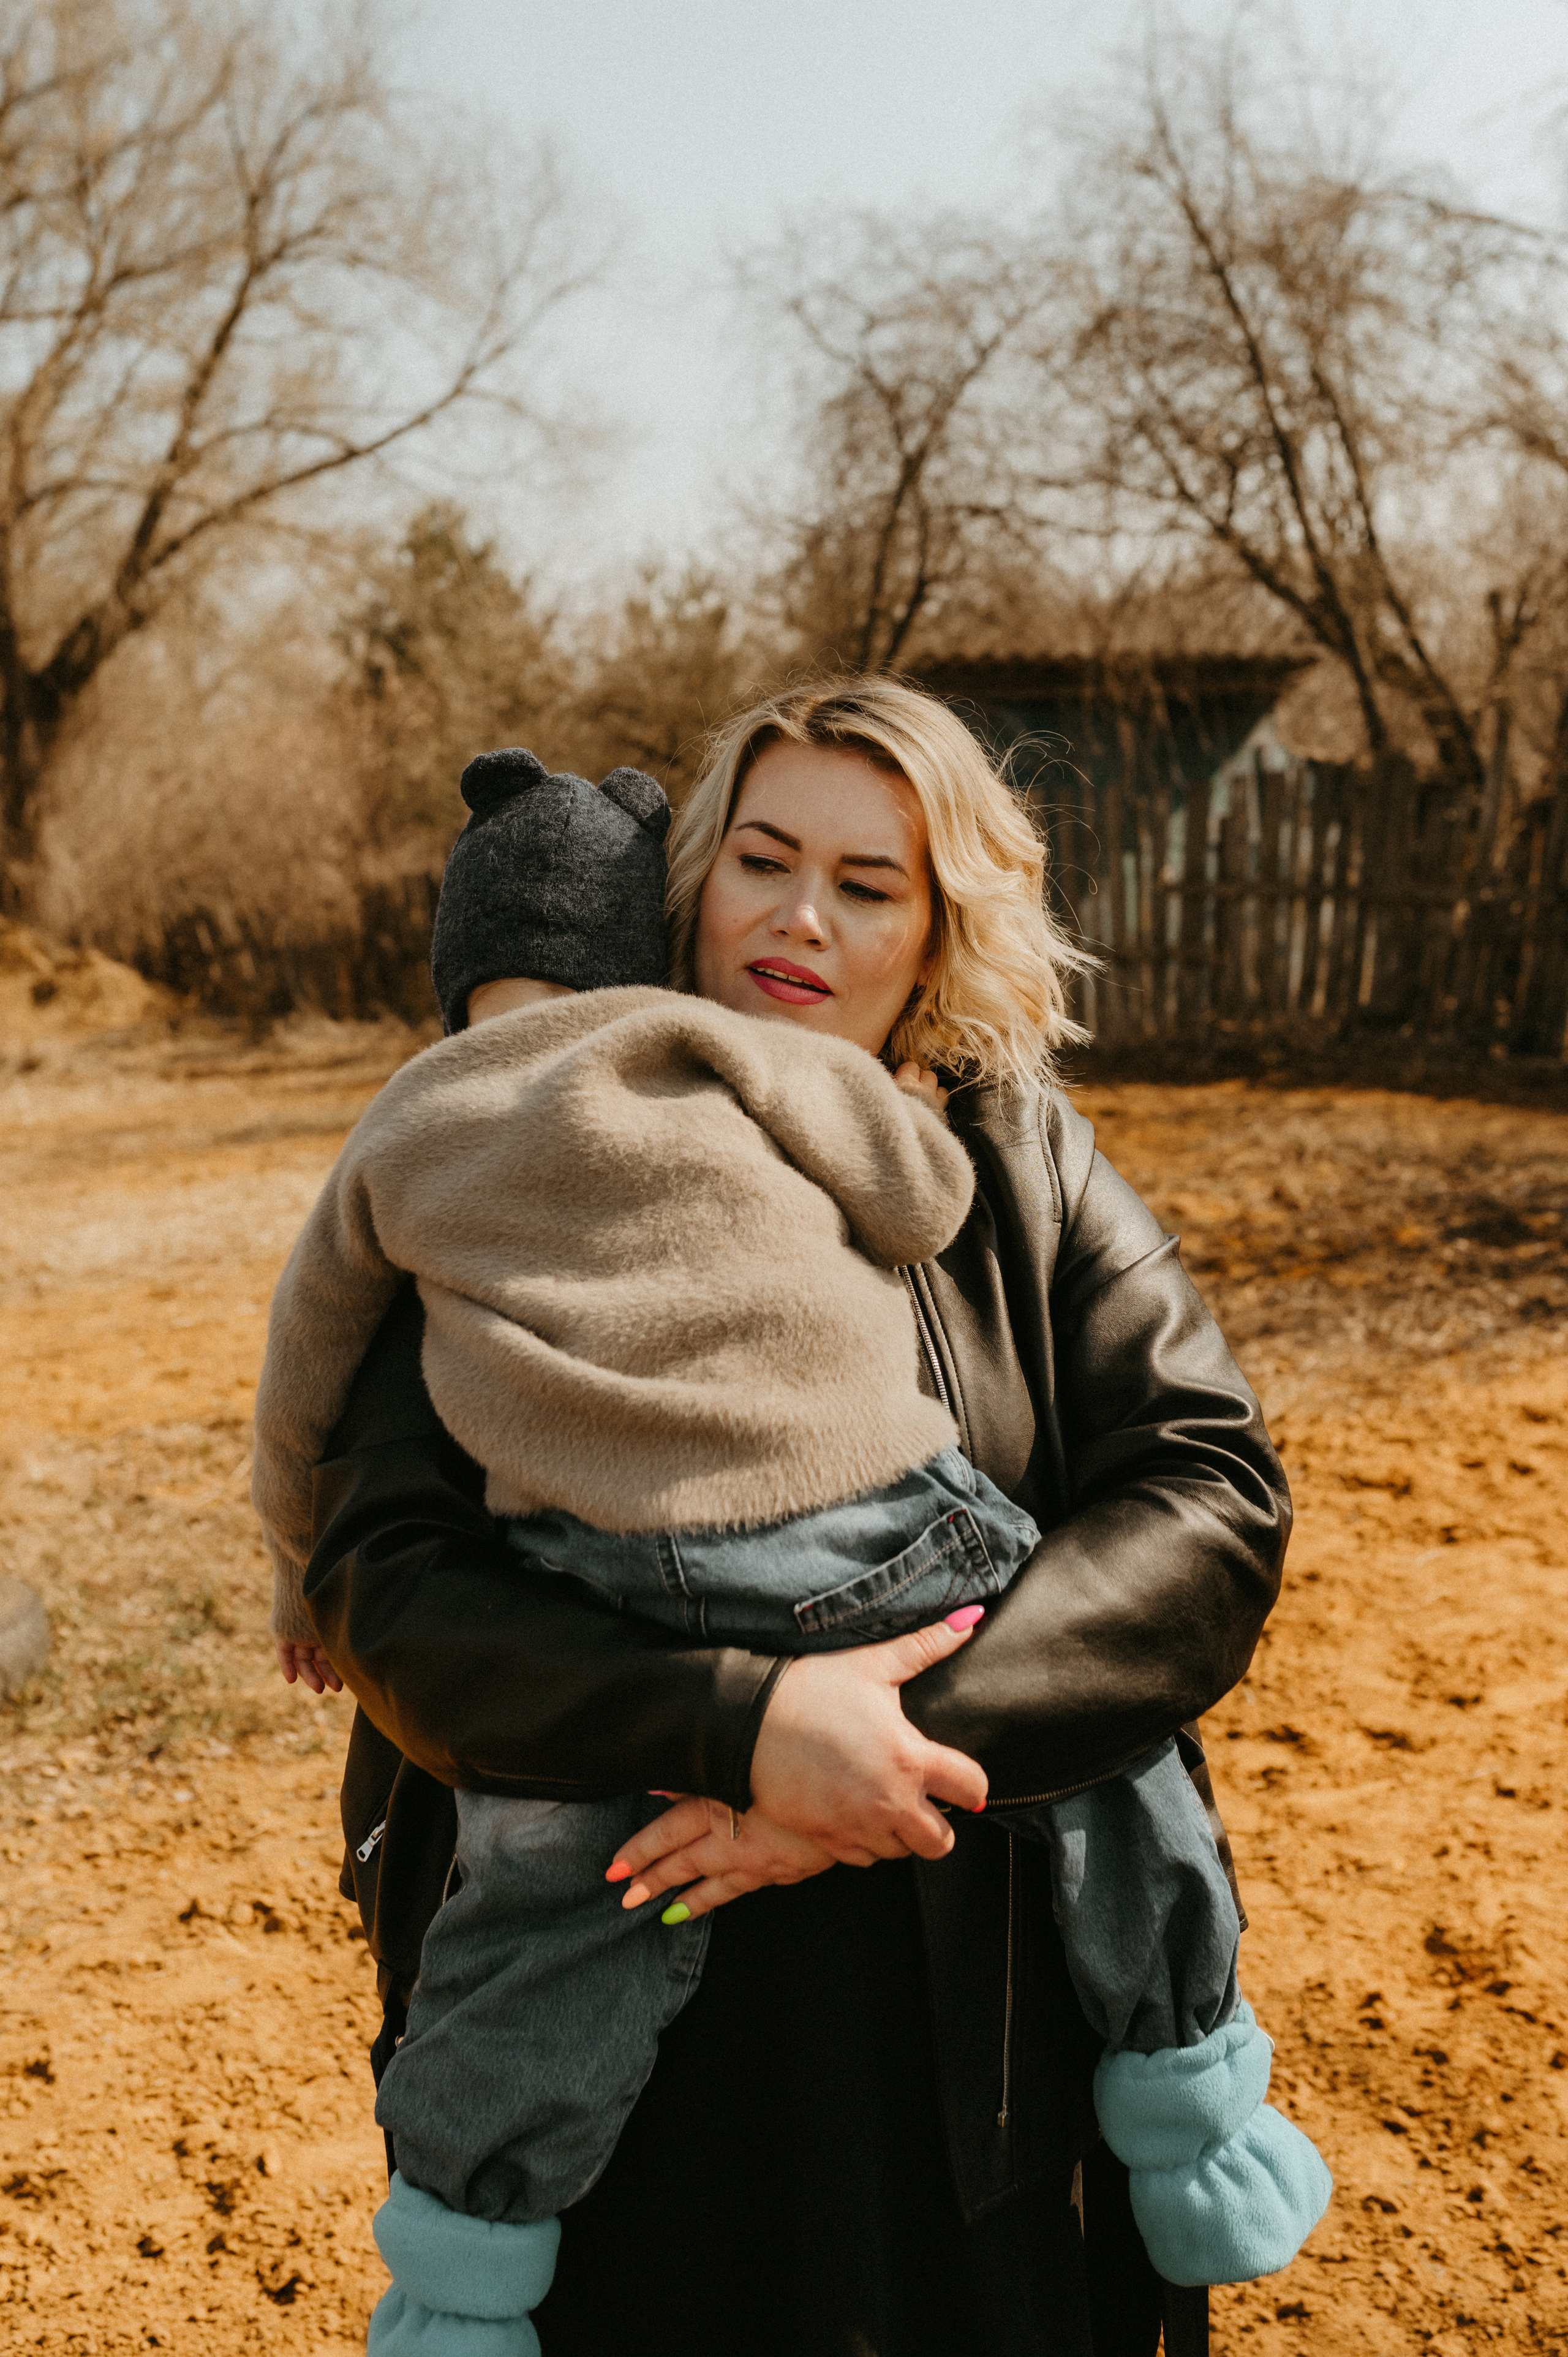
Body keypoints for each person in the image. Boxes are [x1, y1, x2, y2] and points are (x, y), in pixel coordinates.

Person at [255, 743, 1328, 2352]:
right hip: (640, 2022)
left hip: (993, 1996)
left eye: (869, 884)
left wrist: (878, 1757)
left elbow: (1211, 1502)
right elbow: (386, 1582)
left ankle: (1190, 2100)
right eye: (760, 861)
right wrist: (742, 1730)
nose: (800, 918)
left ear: (939, 929)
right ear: (687, 883)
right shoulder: (516, 1153)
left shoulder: (1025, 1160)